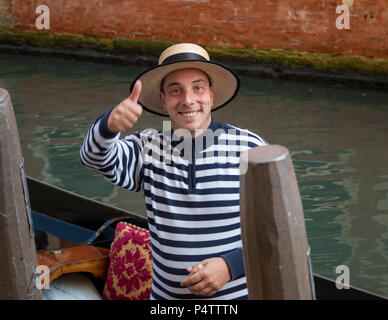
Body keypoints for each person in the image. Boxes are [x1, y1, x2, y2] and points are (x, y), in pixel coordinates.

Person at [80, 43, 268, 300]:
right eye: (175, 91)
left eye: (198, 88)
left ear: (211, 95)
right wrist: (109, 125)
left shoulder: (250, 147)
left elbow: (277, 231)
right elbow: (94, 160)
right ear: (163, 100)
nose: (188, 100)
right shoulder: (147, 148)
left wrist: (230, 265)